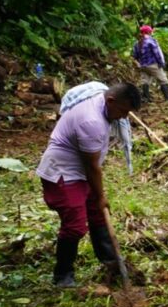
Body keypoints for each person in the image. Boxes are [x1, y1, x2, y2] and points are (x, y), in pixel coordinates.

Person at [36, 82, 142, 287]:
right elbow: (92, 167)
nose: (124, 117)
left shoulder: (101, 101)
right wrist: (101, 196)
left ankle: (113, 263)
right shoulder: (91, 121)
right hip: (62, 173)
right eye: (123, 110)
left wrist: (98, 199)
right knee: (75, 226)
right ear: (110, 101)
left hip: (80, 172)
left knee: (97, 214)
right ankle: (63, 275)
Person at [131, 25, 168, 104]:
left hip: (143, 65)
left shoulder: (137, 43)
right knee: (163, 80)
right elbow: (157, 53)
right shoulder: (151, 41)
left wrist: (139, 64)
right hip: (152, 64)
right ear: (149, 32)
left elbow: (135, 56)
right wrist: (161, 63)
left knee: (145, 80)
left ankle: (146, 98)